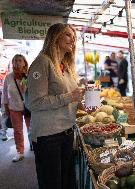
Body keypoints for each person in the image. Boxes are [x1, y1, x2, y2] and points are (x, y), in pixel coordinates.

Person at [27, 23, 83, 189]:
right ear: (55, 37)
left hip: (67, 132)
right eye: (67, 34)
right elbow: (35, 103)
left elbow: (69, 97)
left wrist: (80, 104)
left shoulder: (65, 66)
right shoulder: (42, 62)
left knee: (67, 182)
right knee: (52, 183)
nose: (72, 39)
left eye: (73, 36)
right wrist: (69, 97)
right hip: (48, 136)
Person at [1, 54, 31, 162]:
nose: (17, 62)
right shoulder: (8, 77)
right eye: (15, 60)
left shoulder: (28, 75)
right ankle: (20, 152)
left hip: (28, 106)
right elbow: (4, 93)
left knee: (31, 128)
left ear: (24, 63)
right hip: (13, 107)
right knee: (17, 131)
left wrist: (24, 77)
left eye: (19, 60)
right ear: (12, 63)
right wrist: (5, 107)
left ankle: (33, 144)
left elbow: (28, 91)